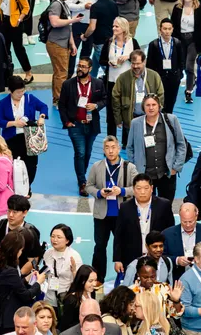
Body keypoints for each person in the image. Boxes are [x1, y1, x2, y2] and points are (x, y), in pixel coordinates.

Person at [86, 136, 137, 273]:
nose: (110, 151)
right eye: (107, 148)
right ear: (103, 150)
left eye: (113, 147)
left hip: (121, 214)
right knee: (100, 246)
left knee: (125, 246)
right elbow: (89, 186)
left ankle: (127, 275)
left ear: (119, 149)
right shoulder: (97, 166)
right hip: (102, 214)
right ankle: (97, 278)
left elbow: (137, 188)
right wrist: (98, 193)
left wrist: (122, 191)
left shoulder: (129, 167)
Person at [124, 97, 187, 199]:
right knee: (146, 208)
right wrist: (135, 167)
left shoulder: (171, 120)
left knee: (166, 207)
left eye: (154, 105)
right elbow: (130, 147)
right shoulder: (135, 123)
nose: (151, 108)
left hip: (166, 174)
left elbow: (181, 144)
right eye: (148, 105)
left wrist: (175, 167)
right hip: (144, 175)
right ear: (143, 108)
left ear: (159, 106)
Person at [59, 58, 106, 196]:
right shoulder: (68, 84)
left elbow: (104, 98)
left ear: (90, 69)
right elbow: (62, 105)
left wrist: (96, 106)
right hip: (75, 124)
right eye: (79, 66)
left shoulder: (98, 83)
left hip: (92, 124)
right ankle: (82, 182)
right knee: (80, 152)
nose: (80, 69)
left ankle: (82, 174)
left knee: (87, 153)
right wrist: (67, 122)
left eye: (83, 66)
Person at [113, 175, 175, 278]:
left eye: (146, 188)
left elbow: (170, 232)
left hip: (157, 257)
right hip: (132, 257)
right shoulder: (125, 207)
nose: (142, 192)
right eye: (138, 188)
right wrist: (117, 259)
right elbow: (119, 234)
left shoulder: (164, 205)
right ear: (133, 189)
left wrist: (167, 256)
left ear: (151, 188)